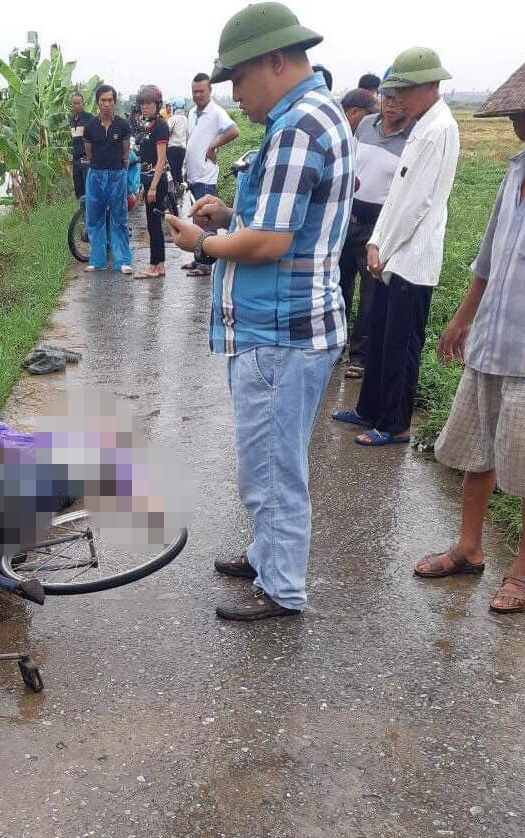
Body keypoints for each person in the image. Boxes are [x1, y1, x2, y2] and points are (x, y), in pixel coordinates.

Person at [167, 2, 354, 621]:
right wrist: (228, 217)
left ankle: (281, 587)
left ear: (276, 60)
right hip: (288, 325)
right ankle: (267, 552)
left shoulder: (299, 125)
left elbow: (272, 244)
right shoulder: (309, 116)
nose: (235, 97)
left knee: (273, 467)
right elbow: (284, 227)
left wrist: (205, 244)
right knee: (273, 456)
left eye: (239, 79)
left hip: (282, 330)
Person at [413, 35, 525, 615]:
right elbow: (488, 255)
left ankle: (522, 571)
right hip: (491, 342)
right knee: (477, 454)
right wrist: (462, 317)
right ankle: (469, 549)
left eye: (523, 110)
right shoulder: (516, 168)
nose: (515, 119)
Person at [332, 47, 459, 446]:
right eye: (394, 90)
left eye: (407, 89)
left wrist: (382, 247)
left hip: (411, 258)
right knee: (382, 335)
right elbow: (397, 195)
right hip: (390, 251)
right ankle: (369, 409)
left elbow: (418, 202)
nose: (397, 99)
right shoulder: (423, 123)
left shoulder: (439, 129)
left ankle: (396, 423)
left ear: (432, 86)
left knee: (402, 344)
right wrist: (375, 242)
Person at [338, 84, 413, 379]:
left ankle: (359, 357)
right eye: (388, 98)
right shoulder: (366, 125)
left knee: (370, 296)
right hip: (349, 217)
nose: (392, 104)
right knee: (339, 287)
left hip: (379, 225)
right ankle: (336, 347)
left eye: (399, 99)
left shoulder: (413, 137)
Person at [183, 73, 240, 276]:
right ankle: (198, 258)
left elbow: (234, 131)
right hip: (193, 174)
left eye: (201, 91)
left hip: (206, 175)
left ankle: (207, 263)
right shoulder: (191, 113)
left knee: (206, 219)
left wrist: (213, 146)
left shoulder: (216, 112)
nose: (198, 95)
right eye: (194, 91)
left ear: (210, 91)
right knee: (196, 218)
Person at [83, 85, 134, 274]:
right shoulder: (90, 127)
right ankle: (97, 260)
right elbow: (89, 153)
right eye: (103, 100)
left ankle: (122, 261)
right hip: (95, 175)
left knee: (119, 218)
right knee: (94, 219)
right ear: (97, 102)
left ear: (115, 102)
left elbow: (125, 153)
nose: (106, 104)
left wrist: (122, 172)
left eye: (110, 100)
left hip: (116, 175)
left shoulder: (122, 125)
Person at [134, 84, 171, 280]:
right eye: (142, 103)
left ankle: (153, 266)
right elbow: (146, 160)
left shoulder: (161, 126)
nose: (145, 107)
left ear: (157, 104)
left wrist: (154, 186)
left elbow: (161, 160)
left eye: (148, 103)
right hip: (148, 182)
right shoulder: (148, 126)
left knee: (154, 225)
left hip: (157, 183)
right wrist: (144, 185)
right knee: (153, 224)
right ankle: (160, 265)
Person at [69, 92, 94, 200]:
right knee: (79, 189)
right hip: (75, 160)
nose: (76, 105)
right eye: (74, 103)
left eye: (79, 103)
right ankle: (83, 214)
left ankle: (91, 214)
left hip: (86, 159)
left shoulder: (90, 119)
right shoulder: (71, 120)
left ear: (83, 104)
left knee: (89, 189)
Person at [167, 97, 189, 186]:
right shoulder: (185, 119)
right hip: (182, 148)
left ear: (174, 107)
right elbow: (188, 134)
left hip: (172, 148)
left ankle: (174, 189)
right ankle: (180, 187)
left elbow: (167, 132)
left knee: (172, 169)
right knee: (179, 169)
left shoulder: (172, 119)